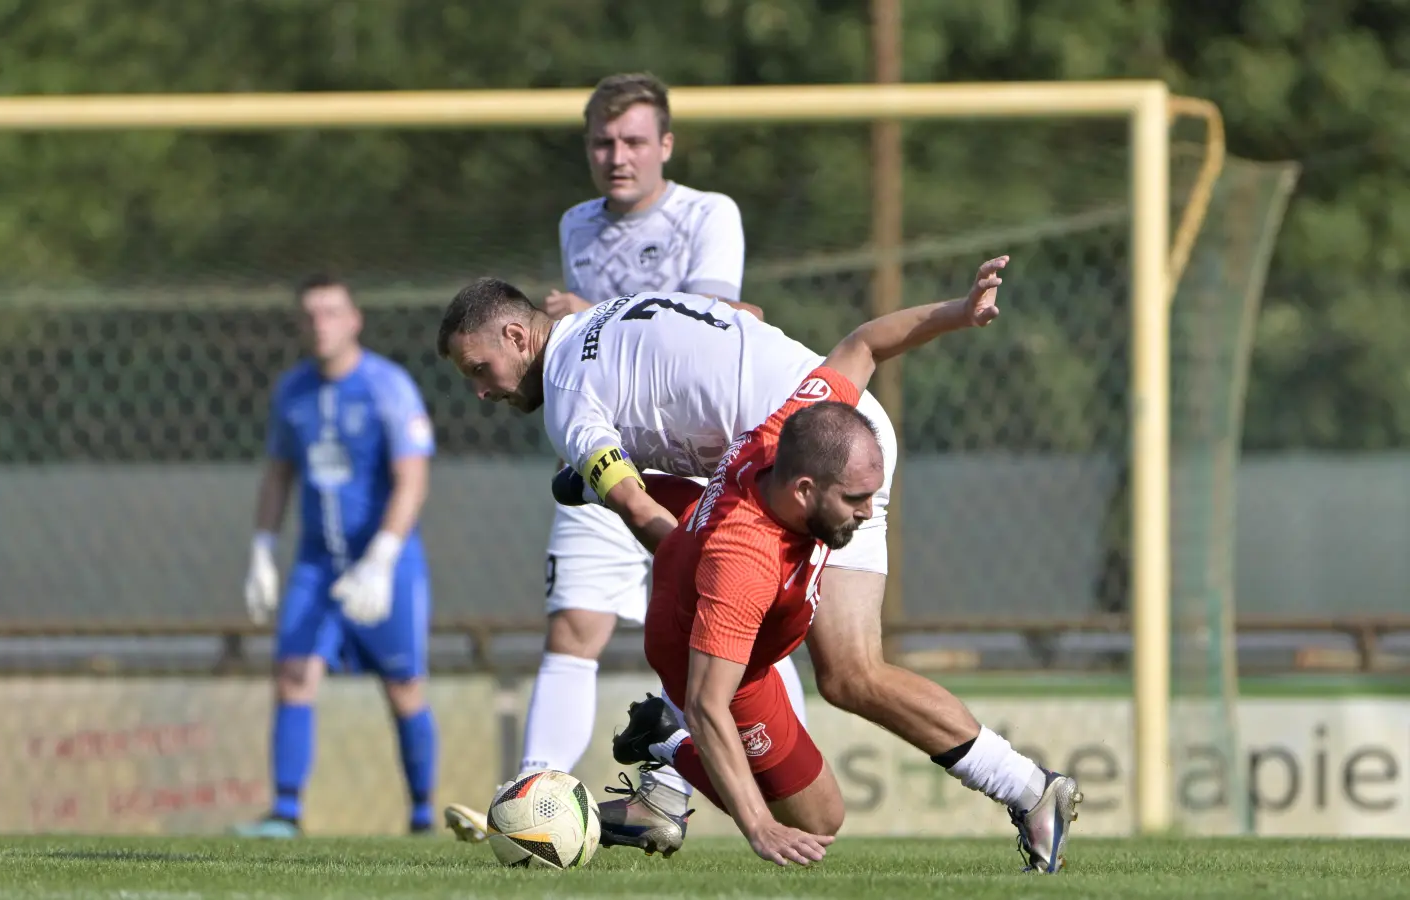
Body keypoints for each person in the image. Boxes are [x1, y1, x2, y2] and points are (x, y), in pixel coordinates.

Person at [436, 257, 1082, 871]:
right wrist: (957, 310)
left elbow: (635, 505)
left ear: (518, 336)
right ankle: (1029, 788)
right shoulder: (609, 314)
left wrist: (701, 564)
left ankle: (669, 767)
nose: (481, 391)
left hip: (805, 468)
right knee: (841, 689)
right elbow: (784, 324)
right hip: (829, 433)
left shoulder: (573, 397)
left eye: (478, 368)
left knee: (834, 677)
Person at [441, 71, 799, 850]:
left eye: (634, 140)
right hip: (602, 445)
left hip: (690, 450)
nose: (618, 156)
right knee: (574, 625)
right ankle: (532, 794)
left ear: (666, 145)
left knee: (736, 624)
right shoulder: (578, 224)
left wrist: (597, 317)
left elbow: (710, 318)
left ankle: (674, 791)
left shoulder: (709, 215)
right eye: (602, 142)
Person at [235, 275, 439, 837]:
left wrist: (381, 557)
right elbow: (278, 473)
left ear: (355, 320)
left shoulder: (386, 386)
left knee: (403, 686)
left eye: (331, 312)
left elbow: (412, 478)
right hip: (314, 563)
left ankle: (423, 817)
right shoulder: (292, 392)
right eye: (310, 314)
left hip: (386, 563)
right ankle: (285, 813)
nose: (320, 324)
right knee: (293, 674)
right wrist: (261, 549)